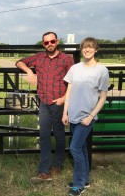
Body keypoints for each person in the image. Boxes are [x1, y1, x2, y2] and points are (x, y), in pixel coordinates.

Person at [16, 31, 74, 182]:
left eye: (52, 41)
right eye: (46, 42)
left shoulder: (66, 59)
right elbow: (19, 62)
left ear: (57, 42)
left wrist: (64, 98)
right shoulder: (39, 57)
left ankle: (58, 164)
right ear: (43, 44)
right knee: (44, 135)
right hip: (44, 102)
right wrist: (29, 71)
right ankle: (44, 169)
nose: (49, 44)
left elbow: (74, 81)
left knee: (59, 135)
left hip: (59, 102)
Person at [62, 37, 109, 196]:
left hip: (87, 117)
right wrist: (65, 112)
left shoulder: (102, 70)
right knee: (81, 149)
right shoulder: (75, 68)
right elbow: (68, 91)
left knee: (74, 148)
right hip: (73, 115)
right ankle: (85, 180)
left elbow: (103, 97)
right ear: (81, 50)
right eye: (85, 47)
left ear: (96, 50)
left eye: (91, 47)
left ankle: (78, 184)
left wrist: (91, 116)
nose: (87, 50)